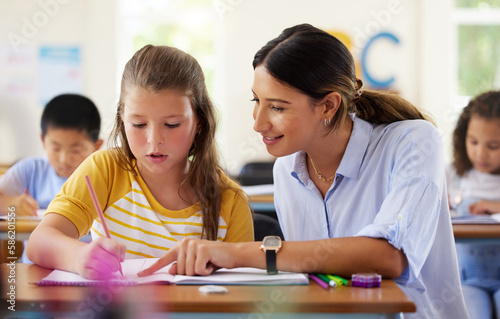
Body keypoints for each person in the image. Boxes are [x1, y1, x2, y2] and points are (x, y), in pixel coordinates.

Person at [139, 24, 468, 318]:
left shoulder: (413, 141)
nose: (258, 123)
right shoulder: (287, 170)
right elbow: (319, 281)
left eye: (278, 107)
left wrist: (237, 253)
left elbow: (389, 258)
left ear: (328, 105)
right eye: (257, 101)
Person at [26, 45, 254, 280]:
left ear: (199, 122)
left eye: (172, 124)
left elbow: (240, 292)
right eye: (138, 124)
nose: (154, 140)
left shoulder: (231, 201)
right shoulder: (106, 170)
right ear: (122, 119)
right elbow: (39, 242)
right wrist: (79, 256)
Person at [0, 94, 103, 216]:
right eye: (56, 148)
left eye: (76, 150)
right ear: (43, 140)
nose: (64, 159)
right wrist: (9, 203)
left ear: (96, 146)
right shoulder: (30, 169)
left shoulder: (103, 178)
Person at [446, 91, 500, 319]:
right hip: (466, 280)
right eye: (473, 141)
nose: (480, 153)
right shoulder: (453, 174)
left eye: (493, 145)